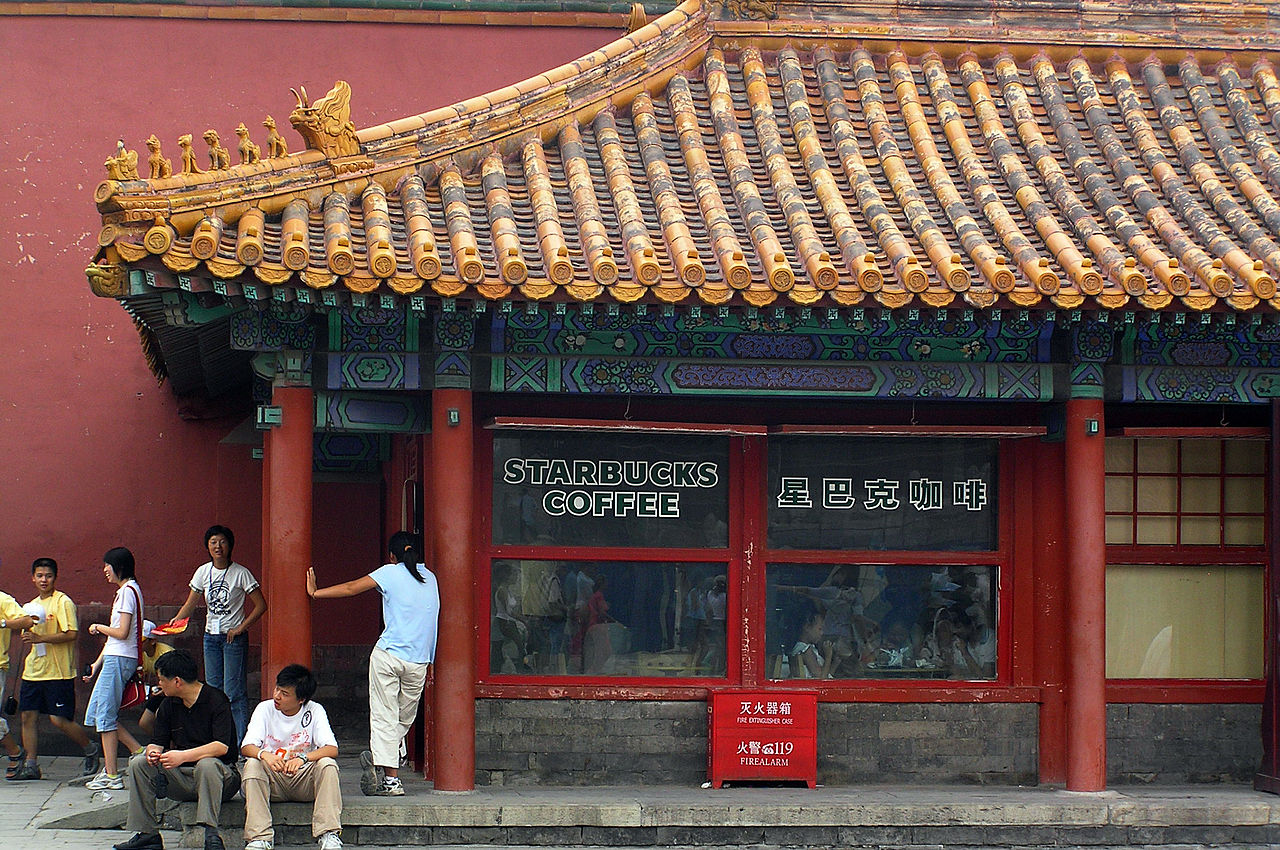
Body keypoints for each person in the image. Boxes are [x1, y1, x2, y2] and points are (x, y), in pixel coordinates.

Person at [307, 531, 439, 797]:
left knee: (385, 717)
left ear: (392, 556)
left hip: (388, 656)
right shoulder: (431, 578)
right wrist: (432, 658)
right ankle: (390, 772)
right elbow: (432, 620)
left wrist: (316, 592)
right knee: (403, 718)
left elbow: (350, 587)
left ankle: (383, 758)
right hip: (419, 660)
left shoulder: (390, 572)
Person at [116, 649, 239, 850]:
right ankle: (148, 834)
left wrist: (182, 756)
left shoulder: (216, 700)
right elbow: (158, 741)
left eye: (162, 679)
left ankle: (211, 835)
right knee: (138, 763)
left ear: (177, 681)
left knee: (207, 764)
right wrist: (153, 753)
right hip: (182, 778)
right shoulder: (168, 704)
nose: (160, 684)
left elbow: (221, 746)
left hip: (221, 778)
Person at [168, 525, 267, 745]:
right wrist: (174, 622)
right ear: (207, 546)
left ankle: (241, 742)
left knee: (234, 693)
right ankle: (217, 740)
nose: (218, 546)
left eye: (222, 541)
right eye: (213, 542)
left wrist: (241, 627)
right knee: (212, 691)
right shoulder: (203, 572)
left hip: (233, 639)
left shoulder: (241, 573)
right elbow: (190, 603)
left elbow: (261, 605)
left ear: (230, 545)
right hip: (210, 637)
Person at [10, 557, 99, 781]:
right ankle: (31, 764)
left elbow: (72, 634)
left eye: (48, 576)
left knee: (58, 720)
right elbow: (26, 635)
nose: (43, 580)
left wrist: (42, 637)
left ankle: (91, 748)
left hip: (59, 672)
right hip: (33, 670)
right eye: (39, 575)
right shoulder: (30, 606)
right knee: (28, 716)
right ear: (32, 578)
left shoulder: (62, 602)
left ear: (55, 578)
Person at [240, 664, 342, 850]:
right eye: (277, 689)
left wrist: (303, 758)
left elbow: (331, 748)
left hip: (303, 780)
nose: (277, 696)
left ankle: (328, 833)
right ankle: (259, 837)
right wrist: (265, 755)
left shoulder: (315, 710)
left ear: (301, 699)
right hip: (273, 781)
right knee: (253, 764)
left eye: (285, 694)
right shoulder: (264, 709)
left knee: (327, 764)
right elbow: (247, 747)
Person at [83, 547, 145, 790]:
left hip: (120, 658)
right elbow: (115, 640)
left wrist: (99, 626)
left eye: (107, 565)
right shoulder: (126, 591)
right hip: (114, 658)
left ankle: (111, 776)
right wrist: (96, 666)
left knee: (106, 716)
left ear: (118, 566)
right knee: (99, 712)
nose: (105, 570)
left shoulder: (128, 592)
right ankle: (137, 750)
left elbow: (121, 632)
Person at [0, 589, 35, 778]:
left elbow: (27, 621)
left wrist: (3, 623)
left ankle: (14, 751)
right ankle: (15, 752)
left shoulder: (3, 599)